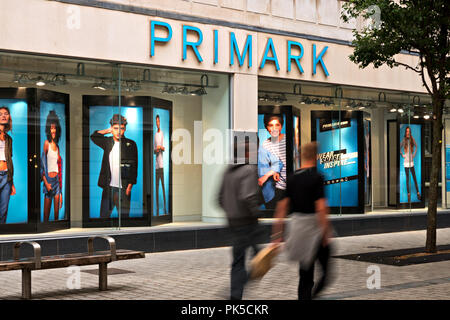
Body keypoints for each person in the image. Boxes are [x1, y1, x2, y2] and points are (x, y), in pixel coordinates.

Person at [272, 142, 333, 300]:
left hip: (298, 227)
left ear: (300, 156)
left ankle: (305, 297)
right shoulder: (317, 177)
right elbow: (320, 207)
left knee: (305, 274)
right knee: (326, 272)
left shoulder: (292, 178)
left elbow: (281, 208)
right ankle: (312, 296)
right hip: (314, 228)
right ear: (316, 156)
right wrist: (326, 232)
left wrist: (276, 236)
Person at [218, 139, 262, 300]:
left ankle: (235, 295)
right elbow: (248, 196)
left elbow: (220, 198)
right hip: (248, 223)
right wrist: (256, 213)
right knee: (259, 260)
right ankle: (237, 291)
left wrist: (231, 212)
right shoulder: (248, 170)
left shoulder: (227, 171)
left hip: (233, 223)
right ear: (246, 153)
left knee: (238, 261)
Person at [90, 114, 138, 219]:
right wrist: (108, 130)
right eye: (116, 128)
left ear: (125, 129)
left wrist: (130, 185)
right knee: (104, 217)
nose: (119, 131)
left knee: (124, 218)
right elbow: (93, 136)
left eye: (121, 128)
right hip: (109, 187)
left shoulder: (131, 144)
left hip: (124, 187)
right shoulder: (107, 142)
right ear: (112, 128)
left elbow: (134, 166)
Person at [40, 110, 63, 221]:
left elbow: (60, 170)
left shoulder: (57, 146)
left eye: (55, 128)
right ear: (48, 129)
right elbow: (41, 166)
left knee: (56, 217)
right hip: (48, 181)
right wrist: (46, 183)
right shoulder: (46, 143)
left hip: (57, 183)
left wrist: (61, 192)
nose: (53, 130)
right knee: (46, 216)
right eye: (51, 128)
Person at [261, 114, 286, 209]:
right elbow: (267, 165)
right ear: (266, 127)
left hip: (293, 185)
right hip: (278, 186)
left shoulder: (289, 140)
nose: (274, 128)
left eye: (277, 125)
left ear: (281, 126)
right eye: (271, 125)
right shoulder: (265, 144)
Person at [0, 106, 16, 224]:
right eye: (0, 114)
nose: (4, 116)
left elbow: (9, 159)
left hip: (7, 177)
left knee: (4, 210)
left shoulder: (9, 139)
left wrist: (12, 183)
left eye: (6, 113)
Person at [400, 126, 421, 202]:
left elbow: (416, 146)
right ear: (406, 132)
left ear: (410, 132)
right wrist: (402, 155)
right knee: (407, 179)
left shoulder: (412, 139)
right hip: (406, 162)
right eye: (407, 131)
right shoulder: (404, 140)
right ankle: (409, 194)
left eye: (409, 131)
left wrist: (414, 154)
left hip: (411, 161)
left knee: (414, 178)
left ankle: (418, 192)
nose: (408, 132)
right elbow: (399, 148)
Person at [154, 115, 167, 215]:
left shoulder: (162, 133)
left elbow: (164, 148)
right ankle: (157, 208)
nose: (157, 123)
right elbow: (154, 150)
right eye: (156, 122)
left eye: (158, 121)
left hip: (161, 164)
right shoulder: (155, 135)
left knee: (162, 185)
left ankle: (165, 207)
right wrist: (157, 149)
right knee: (157, 186)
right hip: (156, 165)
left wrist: (160, 148)